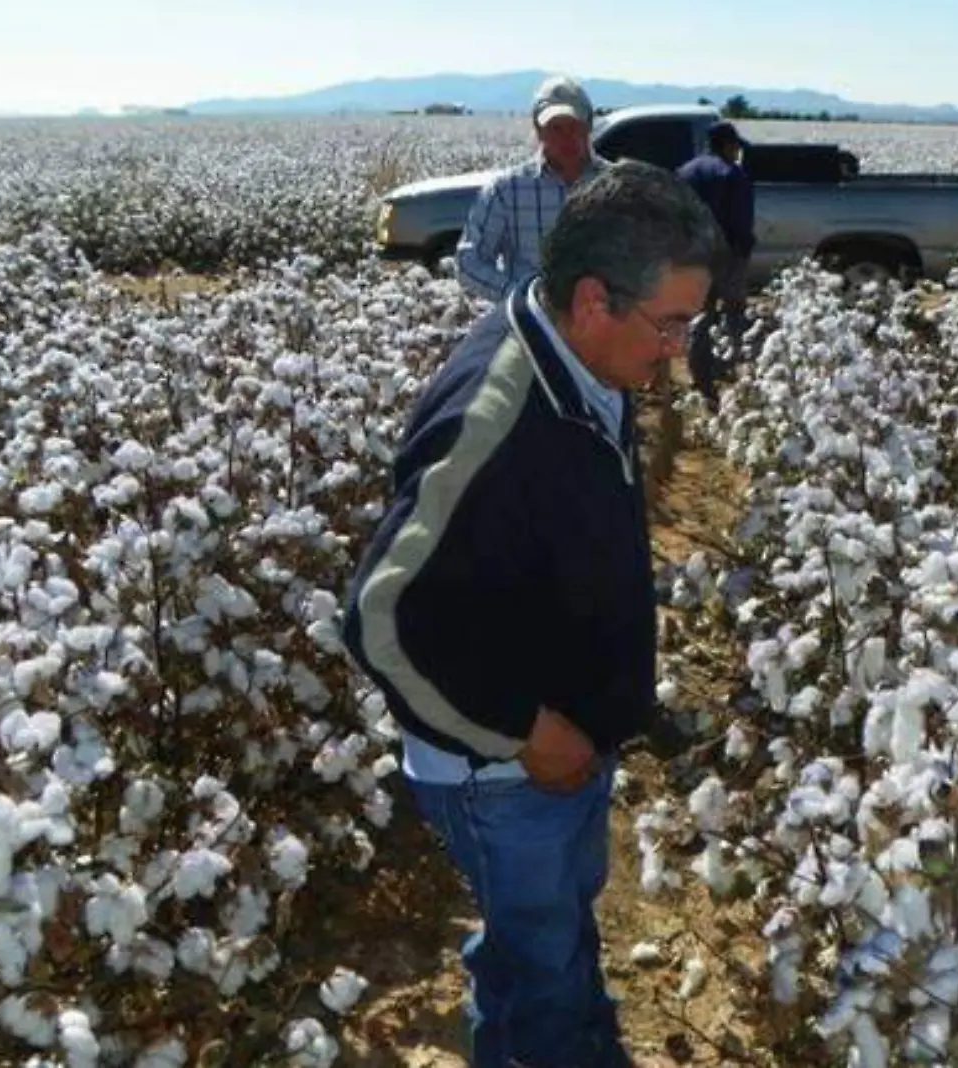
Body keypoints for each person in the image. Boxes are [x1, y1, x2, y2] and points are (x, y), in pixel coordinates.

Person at [340, 161, 716, 1068]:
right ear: (595, 299)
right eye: (671, 323)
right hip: (503, 775)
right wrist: (522, 733)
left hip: (561, 749)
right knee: (540, 962)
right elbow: (379, 613)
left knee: (541, 939)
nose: (679, 347)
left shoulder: (582, 363)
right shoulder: (498, 416)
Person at [455, 73, 610, 302]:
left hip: (606, 323)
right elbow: (469, 262)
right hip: (531, 323)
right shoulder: (508, 190)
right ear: (539, 131)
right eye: (555, 128)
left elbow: (647, 258)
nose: (566, 138)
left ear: (588, 127)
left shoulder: (617, 187)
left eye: (573, 126)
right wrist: (519, 296)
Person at [675, 121, 756, 407]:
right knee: (734, 314)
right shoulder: (732, 174)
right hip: (727, 256)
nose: (737, 152)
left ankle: (700, 376)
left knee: (700, 316)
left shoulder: (684, 173)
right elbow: (741, 221)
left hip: (692, 257)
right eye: (735, 146)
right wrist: (744, 250)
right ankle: (735, 373)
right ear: (726, 145)